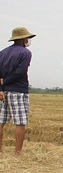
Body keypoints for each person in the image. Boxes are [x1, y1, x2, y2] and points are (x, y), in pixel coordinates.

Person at [0, 27, 36, 156]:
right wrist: (6, 81)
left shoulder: (2, 52)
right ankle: (18, 152)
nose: (28, 40)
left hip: (3, 92)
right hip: (19, 90)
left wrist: (2, 87)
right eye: (27, 38)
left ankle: (0, 151)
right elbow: (20, 72)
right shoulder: (25, 53)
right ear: (22, 39)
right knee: (20, 123)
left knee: (1, 121)